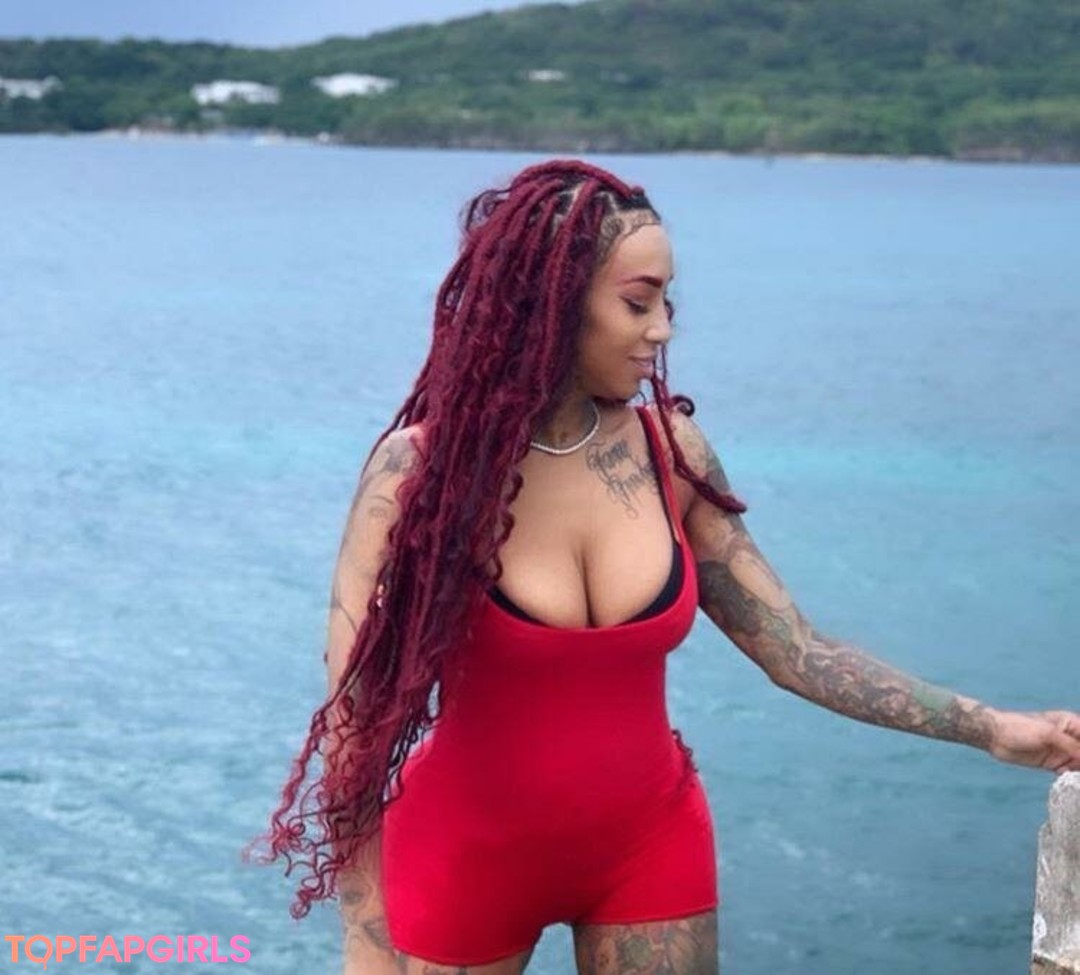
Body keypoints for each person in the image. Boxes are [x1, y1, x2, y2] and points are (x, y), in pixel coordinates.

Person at [248, 159, 1080, 975]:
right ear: (552, 306)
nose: (662, 330)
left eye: (667, 302)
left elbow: (797, 650)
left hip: (647, 844)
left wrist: (993, 728)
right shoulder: (421, 474)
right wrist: (365, 934)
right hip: (466, 854)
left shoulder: (670, 455)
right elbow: (354, 717)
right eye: (637, 302)